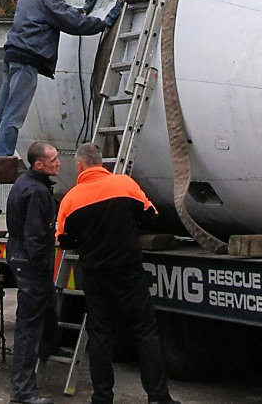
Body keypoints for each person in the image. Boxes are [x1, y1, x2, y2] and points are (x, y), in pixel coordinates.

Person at [55, 143, 179, 404]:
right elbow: (151, 217)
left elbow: (64, 240)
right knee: (145, 332)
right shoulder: (125, 185)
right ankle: (158, 396)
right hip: (128, 271)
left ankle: (102, 397)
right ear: (101, 163)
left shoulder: (71, 199)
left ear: (79, 166)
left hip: (95, 275)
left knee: (100, 335)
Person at [0, 0, 123, 157]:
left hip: (13, 58)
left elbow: (57, 15)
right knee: (14, 115)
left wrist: (83, 10)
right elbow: (72, 23)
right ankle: (3, 159)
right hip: (27, 61)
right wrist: (103, 24)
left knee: (2, 114)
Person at [6, 141, 62, 404]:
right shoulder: (37, 192)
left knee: (46, 308)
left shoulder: (24, 183)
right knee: (29, 326)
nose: (58, 162)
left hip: (19, 255)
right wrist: (41, 268)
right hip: (30, 262)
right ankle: (23, 390)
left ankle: (49, 348)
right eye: (53, 160)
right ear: (39, 165)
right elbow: (36, 237)